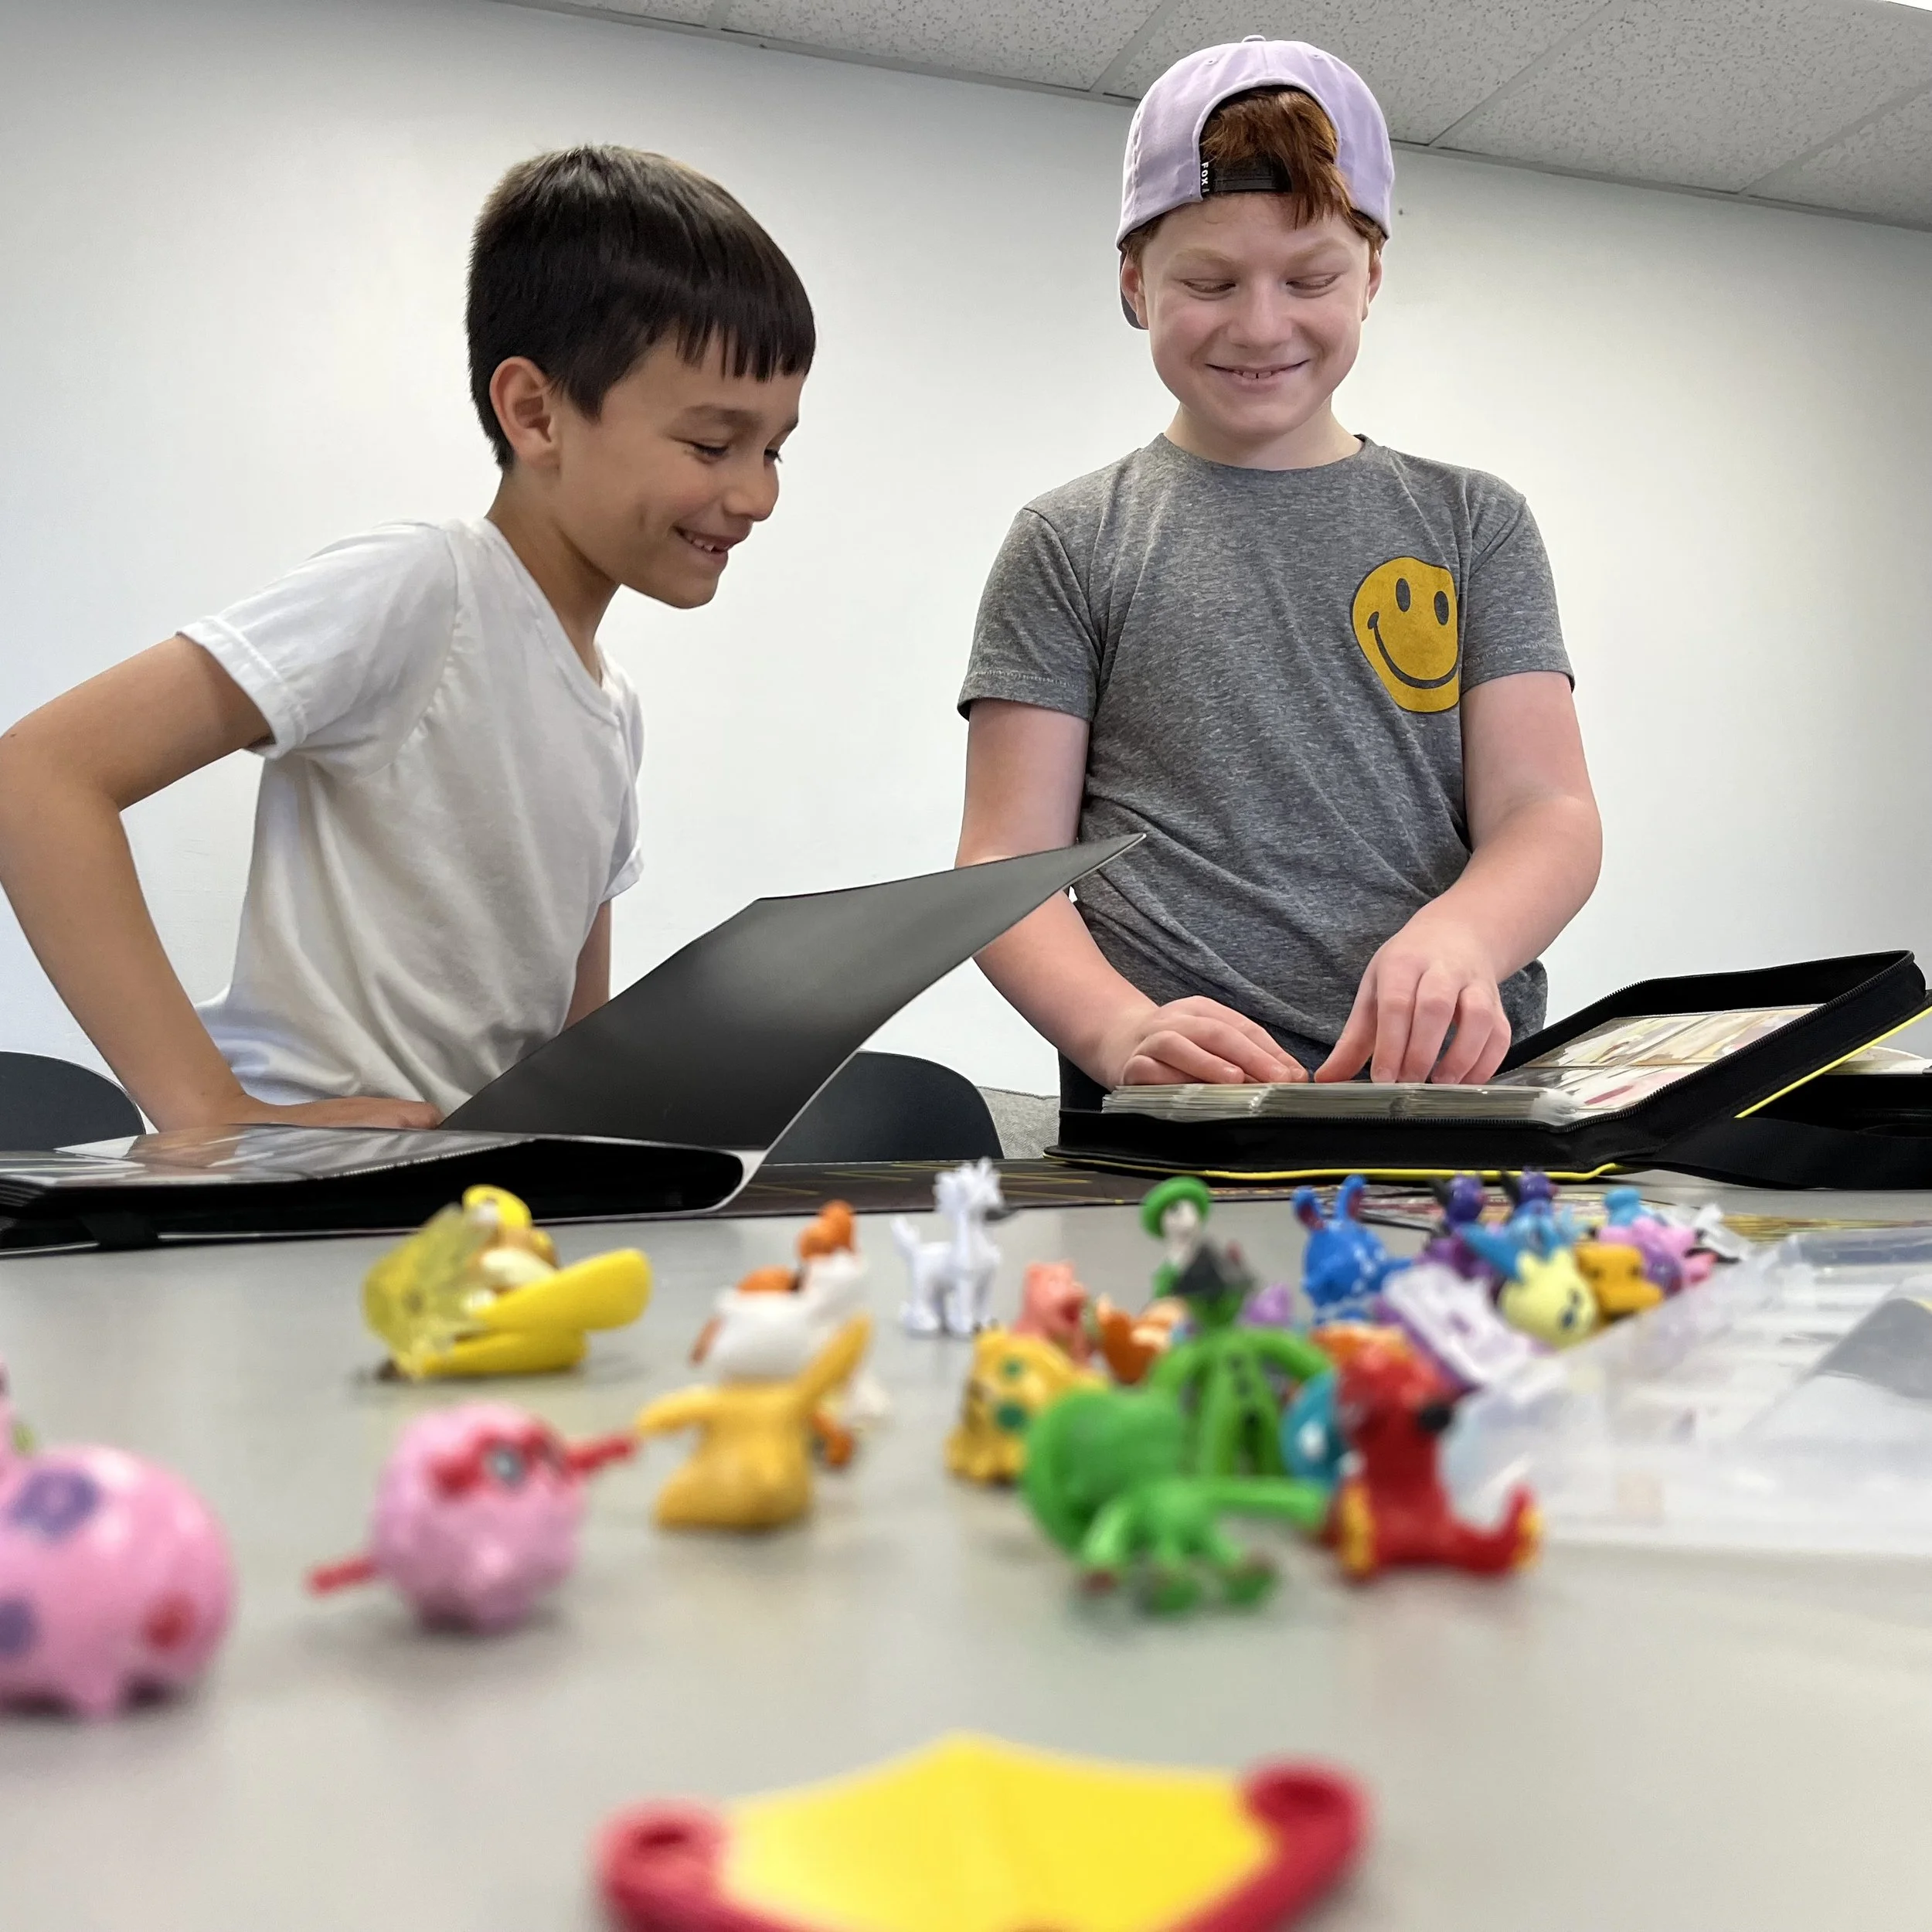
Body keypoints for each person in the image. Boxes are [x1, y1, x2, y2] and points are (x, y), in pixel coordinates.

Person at [0, 146, 812, 1130]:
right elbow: (36, 777)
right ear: (536, 412)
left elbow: (568, 1044)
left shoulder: (613, 708)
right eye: (711, 444)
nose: (758, 494)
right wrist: (208, 1108)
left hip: (449, 1192)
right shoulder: (427, 588)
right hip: (302, 1195)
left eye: (772, 449)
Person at [956, 40, 1600, 1100]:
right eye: (1210, 282)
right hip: (1172, 1123)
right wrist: (1119, 1030)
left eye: (1310, 279)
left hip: (1442, 1104)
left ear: (1373, 278)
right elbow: (1000, 866)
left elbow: (1549, 814)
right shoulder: (1070, 539)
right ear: (1134, 281)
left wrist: (1463, 939)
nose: (1262, 325)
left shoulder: (1475, 524)